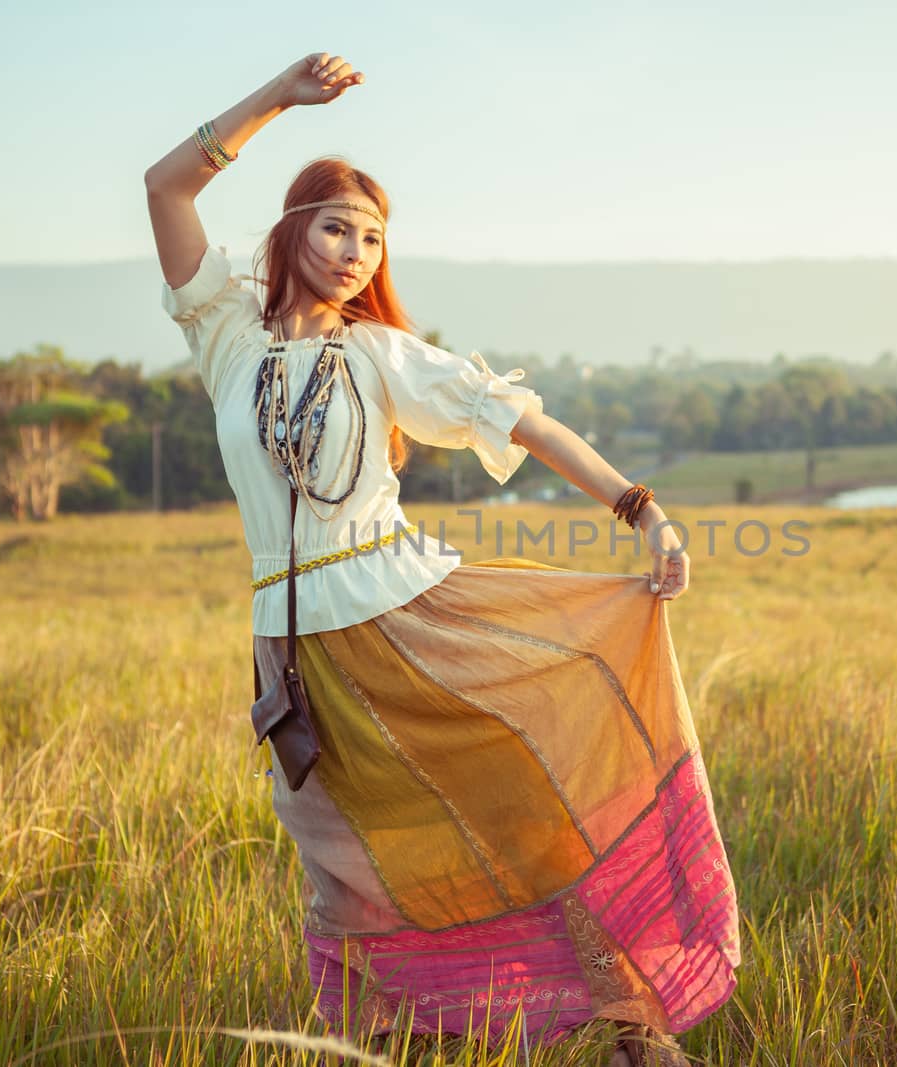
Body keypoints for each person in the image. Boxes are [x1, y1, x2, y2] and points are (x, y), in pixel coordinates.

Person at [144, 52, 739, 1066]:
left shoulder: (379, 354)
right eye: (336, 226)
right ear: (291, 230)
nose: (354, 252)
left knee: (523, 816)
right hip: (292, 649)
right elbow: (166, 184)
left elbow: (520, 420)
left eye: (373, 239)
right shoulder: (226, 339)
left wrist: (641, 509)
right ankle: (381, 1045)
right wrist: (280, 101)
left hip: (409, 618)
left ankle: (632, 1028)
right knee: (342, 871)